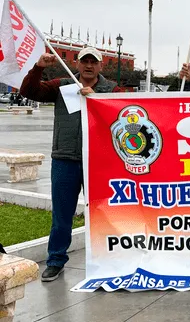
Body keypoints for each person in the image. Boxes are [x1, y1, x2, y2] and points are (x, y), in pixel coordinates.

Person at [20, 48, 125, 282]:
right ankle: (56, 260)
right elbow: (29, 91)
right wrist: (38, 67)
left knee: (104, 213)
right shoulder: (62, 86)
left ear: (100, 67)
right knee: (62, 214)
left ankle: (109, 258)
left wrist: (97, 99)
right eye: (84, 61)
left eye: (93, 62)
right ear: (77, 64)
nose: (89, 65)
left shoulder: (111, 90)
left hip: (98, 162)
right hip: (64, 159)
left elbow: (127, 112)